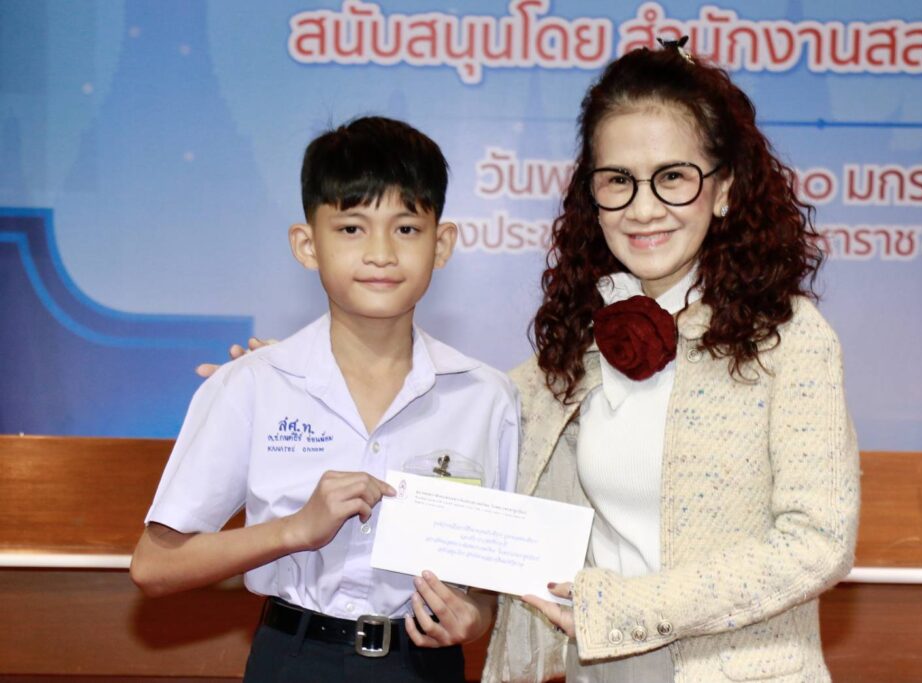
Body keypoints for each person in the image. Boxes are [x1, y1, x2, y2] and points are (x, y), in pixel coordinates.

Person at [479, 40, 860, 682]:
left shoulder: (789, 339)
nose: (643, 208)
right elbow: (471, 425)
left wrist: (628, 608)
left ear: (724, 189)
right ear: (592, 195)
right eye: (617, 180)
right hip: (598, 669)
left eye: (673, 177)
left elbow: (818, 543)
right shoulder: (578, 346)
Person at [131, 116, 519, 683]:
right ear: (307, 244)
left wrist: (474, 618)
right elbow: (153, 565)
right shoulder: (252, 384)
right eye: (352, 228)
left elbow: (489, 582)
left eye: (407, 228)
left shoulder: (486, 397)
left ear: (442, 245)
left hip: (424, 665)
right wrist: (294, 530)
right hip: (294, 658)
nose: (381, 253)